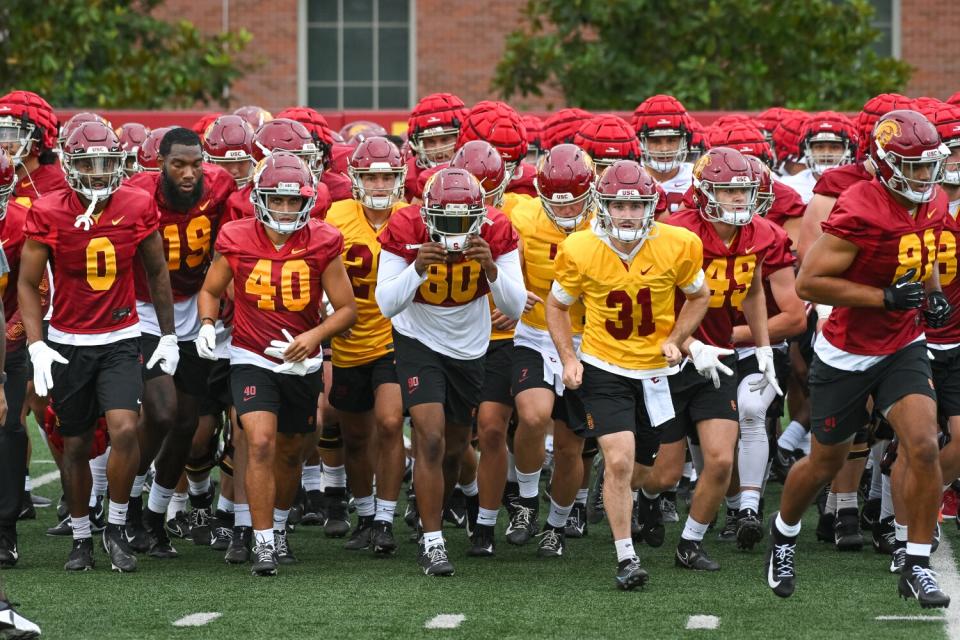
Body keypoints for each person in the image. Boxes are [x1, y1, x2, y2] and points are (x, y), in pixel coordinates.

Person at [770, 110, 952, 608]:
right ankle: (783, 535)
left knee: (925, 445)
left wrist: (931, 294)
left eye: (928, 166)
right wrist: (885, 298)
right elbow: (808, 281)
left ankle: (915, 563)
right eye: (914, 167)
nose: (926, 177)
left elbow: (926, 253)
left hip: (903, 343)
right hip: (847, 351)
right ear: (888, 165)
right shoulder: (861, 206)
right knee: (826, 461)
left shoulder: (932, 199)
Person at [18, 121, 177, 573]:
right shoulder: (49, 211)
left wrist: (167, 334)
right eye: (89, 164)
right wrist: (36, 344)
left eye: (107, 163)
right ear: (70, 164)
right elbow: (28, 283)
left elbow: (157, 272)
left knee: (126, 429)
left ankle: (117, 525)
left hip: (121, 337)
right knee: (76, 443)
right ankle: (82, 535)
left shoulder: (137, 203)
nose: (99, 173)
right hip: (68, 341)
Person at [546, 159, 709, 589]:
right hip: (605, 366)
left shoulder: (679, 243)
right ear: (602, 205)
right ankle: (626, 558)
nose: (628, 214)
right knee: (619, 461)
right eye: (619, 205)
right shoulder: (580, 247)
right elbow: (557, 305)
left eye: (637, 205)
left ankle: (624, 490)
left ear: (651, 206)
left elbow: (699, 297)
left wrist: (678, 336)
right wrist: (568, 356)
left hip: (656, 371)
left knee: (653, 473)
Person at [196, 151, 356, 576]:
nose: (285, 209)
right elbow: (211, 290)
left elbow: (346, 309)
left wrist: (314, 337)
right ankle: (262, 542)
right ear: (260, 198)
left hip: (300, 362)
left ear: (307, 201)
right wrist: (208, 325)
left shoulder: (323, 240)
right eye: (276, 199)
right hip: (251, 355)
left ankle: (279, 528)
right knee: (261, 442)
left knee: (290, 453)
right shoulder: (236, 236)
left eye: (292, 201)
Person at [376, 167, 526, 575]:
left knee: (455, 447)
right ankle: (433, 541)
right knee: (429, 437)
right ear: (426, 213)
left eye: (464, 220)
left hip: (470, 345)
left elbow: (514, 308)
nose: (455, 230)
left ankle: (433, 520)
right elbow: (386, 302)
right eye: (445, 219)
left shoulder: (497, 229)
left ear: (481, 214)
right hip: (418, 340)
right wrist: (417, 268)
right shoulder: (405, 223)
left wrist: (492, 269)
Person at [640, 147, 781, 571]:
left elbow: (753, 289)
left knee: (720, 458)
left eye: (744, 191)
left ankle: (690, 542)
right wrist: (687, 344)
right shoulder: (676, 233)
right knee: (664, 473)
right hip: (666, 361)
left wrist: (762, 346)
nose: (739, 200)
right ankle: (647, 500)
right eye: (728, 191)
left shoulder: (759, 233)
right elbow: (654, 306)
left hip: (718, 360)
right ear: (703, 194)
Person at [124, 127, 236, 557]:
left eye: (196, 164)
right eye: (178, 165)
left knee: (188, 423)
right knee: (162, 410)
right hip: (147, 309)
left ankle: (154, 517)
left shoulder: (221, 186)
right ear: (160, 165)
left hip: (197, 309)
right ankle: (127, 504)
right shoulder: (139, 195)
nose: (189, 173)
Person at [325, 136, 408, 555]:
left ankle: (386, 519)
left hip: (396, 337)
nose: (379, 184)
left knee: (392, 423)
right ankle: (363, 512)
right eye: (371, 176)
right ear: (356, 179)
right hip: (347, 339)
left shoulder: (411, 217)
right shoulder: (337, 214)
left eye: (387, 175)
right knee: (354, 436)